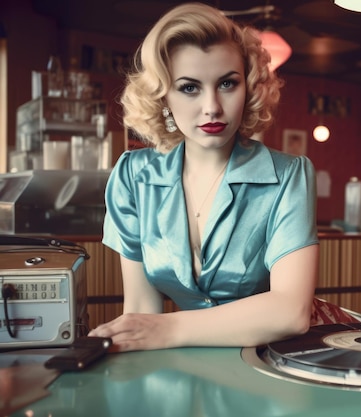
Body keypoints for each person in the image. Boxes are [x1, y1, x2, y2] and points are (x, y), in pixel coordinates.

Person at [88, 2, 322, 352]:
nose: (212, 106)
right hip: (193, 362)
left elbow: (291, 313)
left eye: (227, 83)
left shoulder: (289, 175)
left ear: (250, 87)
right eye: (189, 87)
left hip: (287, 359)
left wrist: (167, 329)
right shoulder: (133, 177)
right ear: (163, 95)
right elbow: (141, 312)